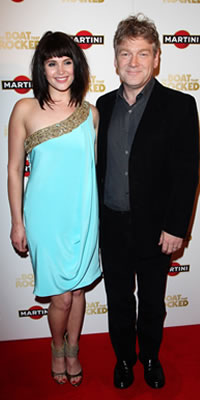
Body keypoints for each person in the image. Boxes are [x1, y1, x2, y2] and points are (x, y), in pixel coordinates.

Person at [96, 14, 199, 390]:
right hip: (112, 226)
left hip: (158, 231)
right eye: (126, 54)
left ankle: (151, 357)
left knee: (153, 302)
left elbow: (187, 172)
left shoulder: (180, 105)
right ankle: (124, 360)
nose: (134, 62)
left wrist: (176, 227)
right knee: (119, 300)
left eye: (142, 54)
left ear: (157, 58)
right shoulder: (100, 108)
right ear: (115, 60)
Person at [8, 31, 101, 386]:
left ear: (76, 66)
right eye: (51, 63)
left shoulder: (91, 114)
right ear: (41, 68)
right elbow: (15, 169)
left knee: (77, 291)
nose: (60, 70)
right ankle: (56, 345)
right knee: (61, 296)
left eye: (66, 61)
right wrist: (17, 222)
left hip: (84, 214)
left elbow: (97, 171)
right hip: (45, 217)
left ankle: (73, 348)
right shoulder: (24, 109)